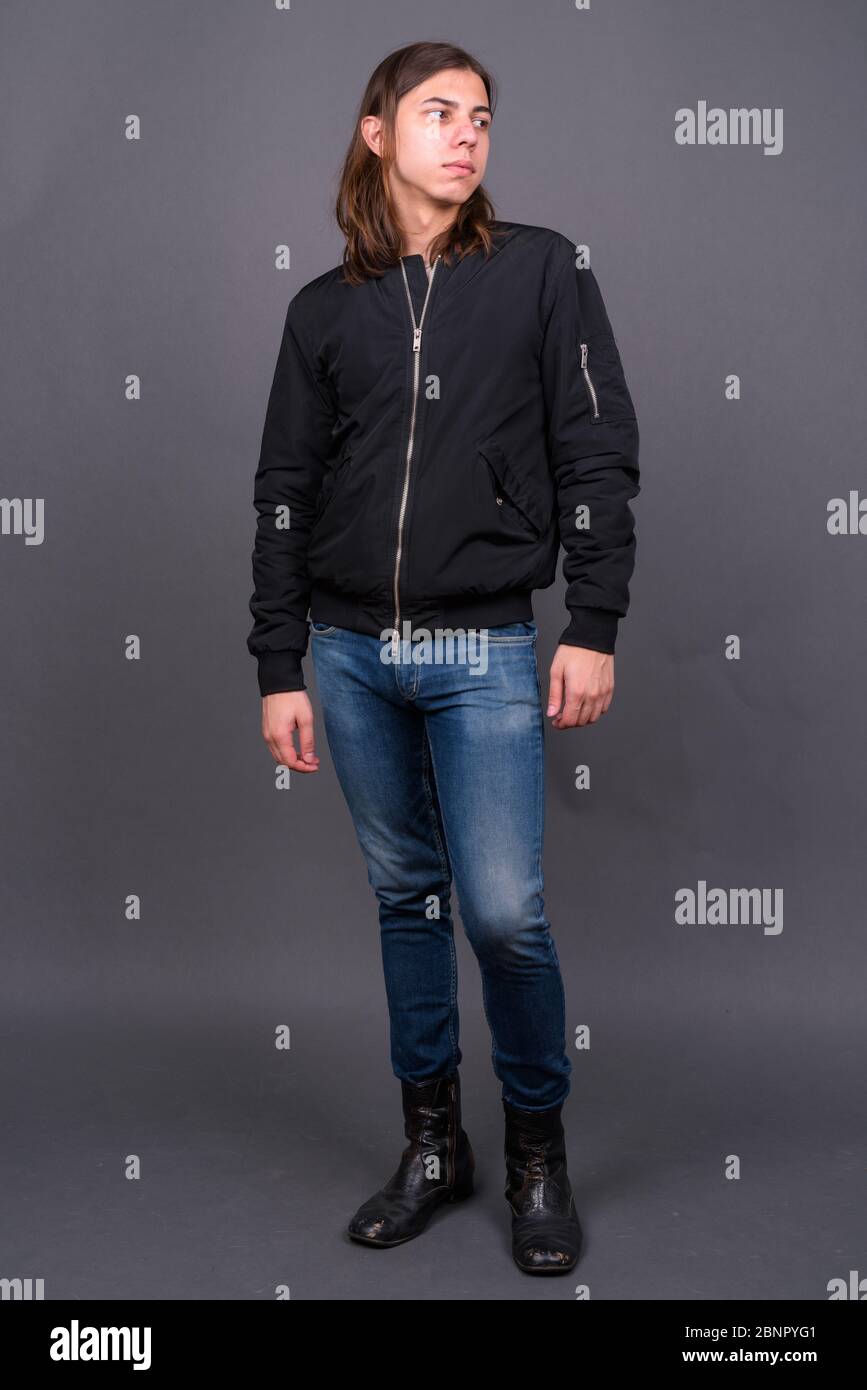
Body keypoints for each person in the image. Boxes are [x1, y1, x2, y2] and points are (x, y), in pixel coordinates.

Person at [247, 40, 640, 1276]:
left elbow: (596, 448)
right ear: (376, 132)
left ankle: (537, 1153)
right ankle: (433, 1146)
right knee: (405, 900)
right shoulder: (322, 309)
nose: (467, 135)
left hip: (483, 648)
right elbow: (283, 495)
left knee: (505, 913)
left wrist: (594, 622)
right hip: (352, 655)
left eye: (481, 117)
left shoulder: (542, 272)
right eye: (438, 113)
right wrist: (277, 662)